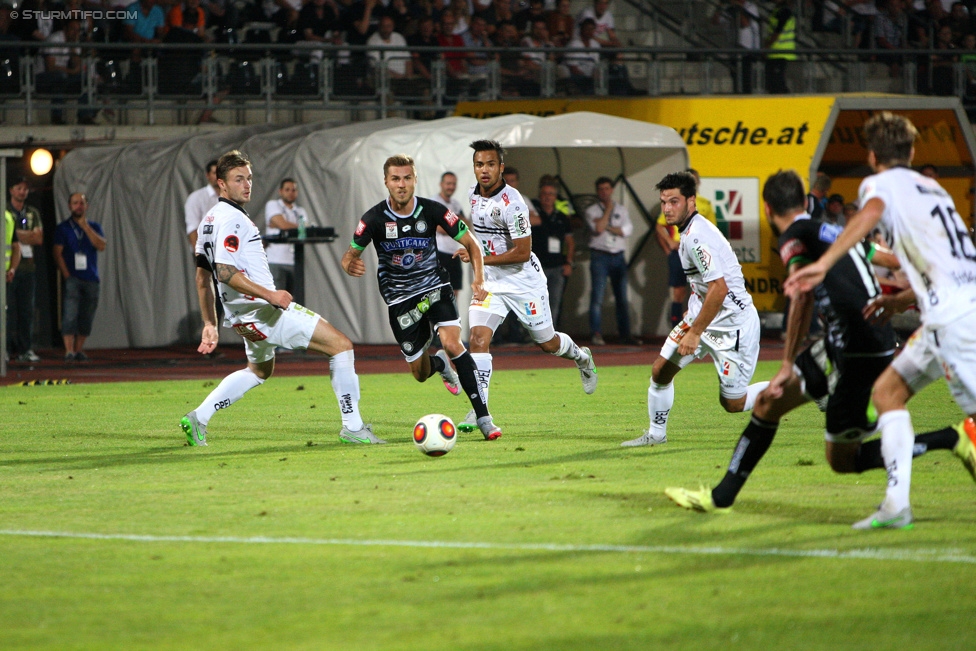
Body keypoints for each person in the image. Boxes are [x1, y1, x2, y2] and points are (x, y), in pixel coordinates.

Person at [665, 169, 973, 514]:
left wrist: (786, 362)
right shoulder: (829, 230)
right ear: (804, 201)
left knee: (843, 459)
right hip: (844, 340)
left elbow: (802, 296)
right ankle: (719, 497)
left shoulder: (794, 237)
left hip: (860, 349)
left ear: (768, 209)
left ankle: (953, 438)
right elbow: (884, 258)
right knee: (768, 404)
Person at [785, 112, 976, 529]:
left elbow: (870, 212)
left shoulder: (880, 185)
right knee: (887, 392)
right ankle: (896, 505)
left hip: (956, 320)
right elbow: (951, 266)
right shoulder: (935, 189)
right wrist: (898, 302)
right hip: (950, 308)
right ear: (912, 151)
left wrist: (826, 262)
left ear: (872, 157)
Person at [182, 150, 375, 446]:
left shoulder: (208, 221)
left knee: (259, 370)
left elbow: (202, 278)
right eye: (238, 179)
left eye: (249, 178)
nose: (246, 185)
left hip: (242, 318)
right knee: (341, 347)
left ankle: (200, 417)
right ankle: (353, 426)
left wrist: (210, 322)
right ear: (221, 183)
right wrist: (270, 294)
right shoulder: (232, 219)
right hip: (263, 312)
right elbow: (223, 272)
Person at [341, 154, 502, 440]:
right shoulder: (373, 219)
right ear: (386, 182)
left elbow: (471, 243)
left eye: (406, 178)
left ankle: (484, 417)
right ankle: (438, 364)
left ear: (415, 179)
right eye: (395, 179)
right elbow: (350, 254)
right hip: (400, 301)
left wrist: (478, 279)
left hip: (434, 287)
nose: (401, 185)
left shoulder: (433, 210)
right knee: (419, 372)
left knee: (453, 343)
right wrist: (349, 263)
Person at [622, 172, 768, 447]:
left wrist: (694, 333)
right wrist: (694, 325)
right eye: (664, 202)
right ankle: (656, 434)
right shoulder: (688, 231)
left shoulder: (697, 236)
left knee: (734, 403)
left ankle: (802, 385)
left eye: (674, 201)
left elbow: (719, 288)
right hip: (701, 317)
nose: (667, 208)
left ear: (691, 201)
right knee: (661, 371)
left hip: (732, 325)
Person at [461, 139, 597, 432]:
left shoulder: (514, 203)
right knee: (477, 339)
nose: (484, 170)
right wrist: (472, 249)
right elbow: (481, 235)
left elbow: (522, 252)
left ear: (501, 168)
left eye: (490, 164)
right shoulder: (473, 195)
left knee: (547, 343)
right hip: (492, 282)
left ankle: (582, 357)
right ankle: (479, 410)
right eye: (479, 164)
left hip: (523, 282)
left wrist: (480, 257)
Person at [656, 168, 715, 330]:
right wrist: (669, 244)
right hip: (680, 251)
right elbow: (660, 226)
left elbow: (712, 230)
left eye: (694, 180)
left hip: (699, 251)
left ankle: (702, 329)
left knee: (704, 290)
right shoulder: (675, 202)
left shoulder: (705, 204)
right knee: (678, 292)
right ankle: (676, 329)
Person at [53, 192, 105, 362]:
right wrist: (67, 275)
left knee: (87, 314)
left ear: (87, 206)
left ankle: (78, 349)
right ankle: (69, 351)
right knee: (70, 313)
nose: (78, 206)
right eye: (75, 203)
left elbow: (101, 245)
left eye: (81, 203)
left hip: (91, 277)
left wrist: (85, 228)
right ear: (69, 206)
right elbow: (57, 253)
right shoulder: (63, 228)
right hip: (73, 277)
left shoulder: (94, 227)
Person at [586, 176, 633, 346]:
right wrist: (607, 211)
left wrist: (607, 226)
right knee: (597, 298)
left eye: (607, 188)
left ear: (612, 190)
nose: (604, 192)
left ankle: (625, 334)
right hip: (600, 256)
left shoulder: (622, 209)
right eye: (601, 189)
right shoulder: (592, 210)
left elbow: (626, 230)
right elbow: (598, 229)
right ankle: (596, 333)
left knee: (621, 298)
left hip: (618, 256)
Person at [6, 177, 43, 363]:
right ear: (11, 190)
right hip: (8, 269)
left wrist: (18, 235)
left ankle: (25, 348)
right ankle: (5, 349)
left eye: (25, 189)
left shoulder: (32, 212)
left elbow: (38, 238)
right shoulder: (5, 212)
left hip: (28, 268)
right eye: (19, 188)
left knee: (26, 311)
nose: (22, 192)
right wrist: (25, 235)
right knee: (7, 311)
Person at [530, 178, 574, 327]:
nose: (547, 197)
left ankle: (551, 335)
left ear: (556, 197)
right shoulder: (534, 214)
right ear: (540, 196)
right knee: (535, 302)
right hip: (537, 267)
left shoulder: (562, 217)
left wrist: (568, 262)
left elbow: (570, 242)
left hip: (557, 266)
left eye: (551, 194)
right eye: (544, 194)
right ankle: (533, 333)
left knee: (554, 301)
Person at [263, 178, 310, 295]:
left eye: (293, 190)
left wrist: (281, 224)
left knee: (294, 300)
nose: (290, 192)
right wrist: (295, 226)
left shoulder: (300, 211)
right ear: (280, 191)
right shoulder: (273, 205)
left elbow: (306, 230)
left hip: (295, 261)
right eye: (287, 190)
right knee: (276, 298)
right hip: (276, 260)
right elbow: (283, 224)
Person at [432, 171, 466, 297]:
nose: (451, 186)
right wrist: (457, 222)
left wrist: (449, 224)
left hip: (454, 254)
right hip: (438, 254)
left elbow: (466, 225)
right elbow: (439, 228)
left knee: (454, 292)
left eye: (453, 184)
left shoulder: (455, 204)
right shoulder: (434, 202)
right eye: (448, 183)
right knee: (438, 294)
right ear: (441, 184)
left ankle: (453, 317)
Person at [185, 159, 219, 248]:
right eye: (215, 173)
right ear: (207, 175)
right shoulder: (197, 197)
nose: (219, 176)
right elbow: (192, 227)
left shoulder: (230, 198)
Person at [765, 0, 796, 94]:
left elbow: (777, 32)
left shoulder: (785, 11)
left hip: (781, 52)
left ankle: (786, 104)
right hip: (774, 52)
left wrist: (766, 47)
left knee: (778, 84)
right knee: (772, 83)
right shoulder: (777, 10)